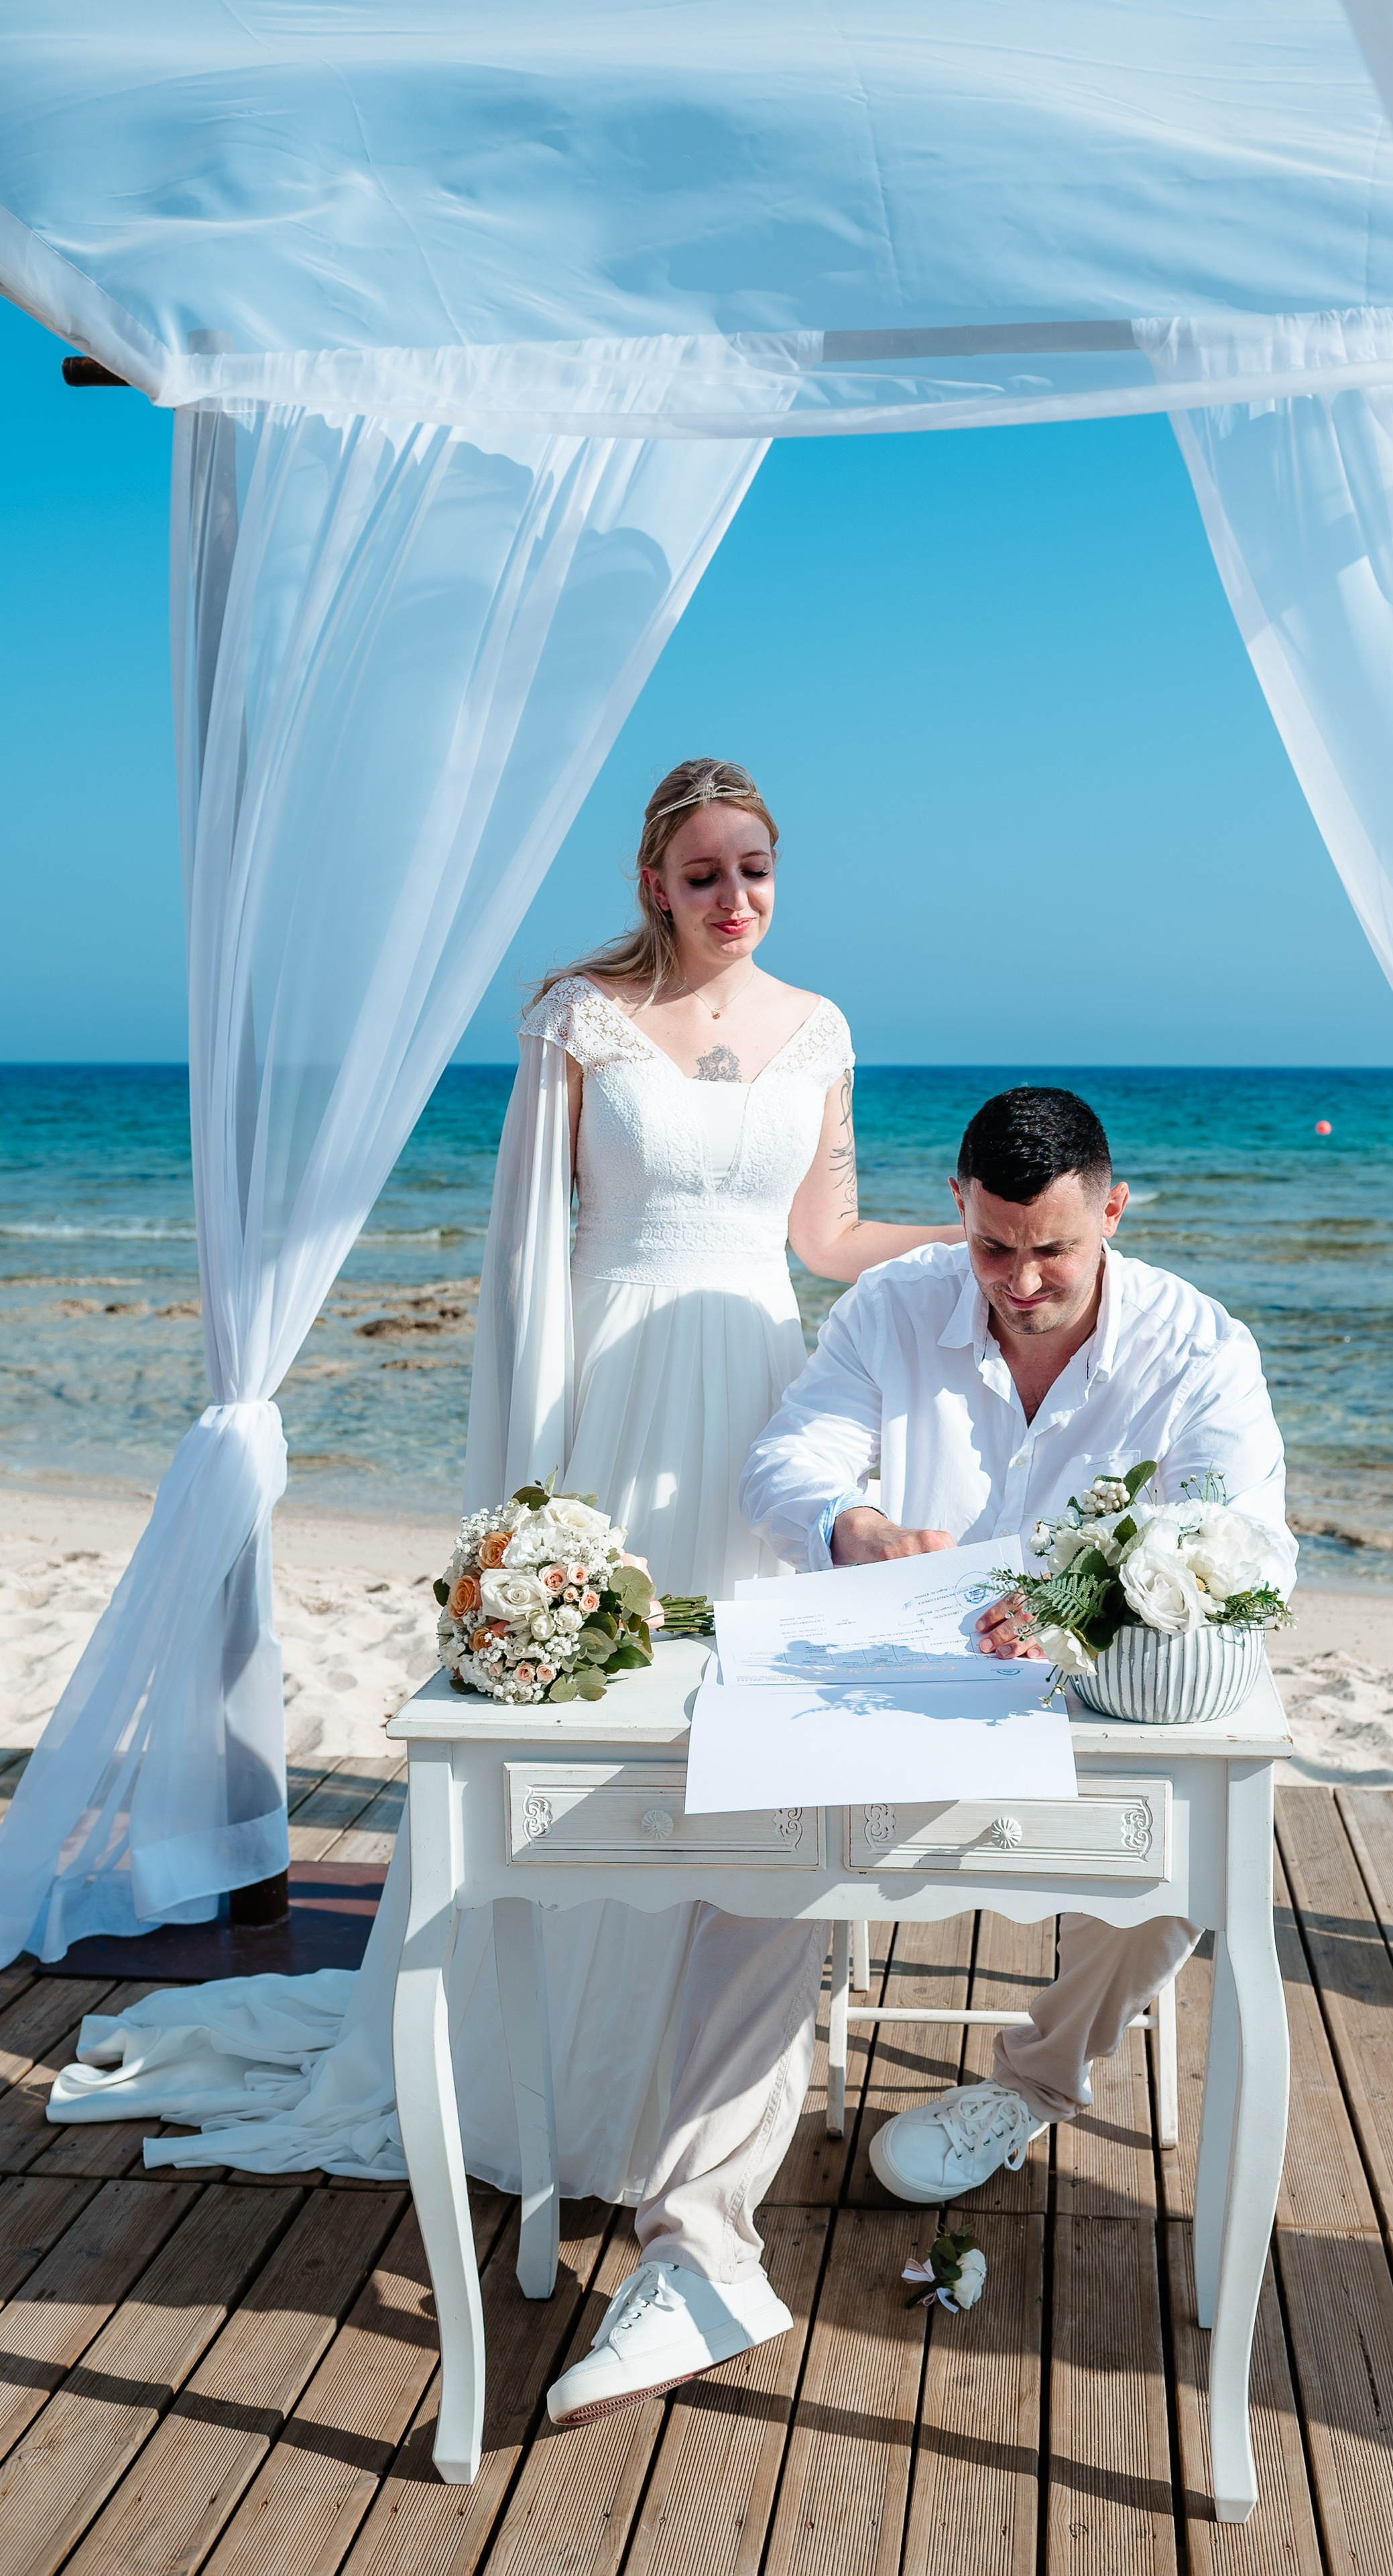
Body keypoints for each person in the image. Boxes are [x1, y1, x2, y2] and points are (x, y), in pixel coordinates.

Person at [46, 758, 960, 2202]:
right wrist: (528, 1479)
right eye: (706, 872)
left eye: (757, 868)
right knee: (602, 1715)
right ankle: (548, 2063)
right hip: (611, 1395)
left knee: (737, 1727)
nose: (737, 897)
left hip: (759, 1399)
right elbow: (527, 1259)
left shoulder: (820, 1029)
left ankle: (706, 2080)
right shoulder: (577, 1021)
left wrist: (975, 1237)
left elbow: (827, 1236)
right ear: (652, 881)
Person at [545, 1083, 1295, 2423]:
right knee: (750, 1843)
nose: (1018, 1280)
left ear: (1111, 1211)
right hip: (894, 1676)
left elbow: (1242, 1544)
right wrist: (854, 1528)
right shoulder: (892, 1304)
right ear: (957, 1209)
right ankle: (694, 2250)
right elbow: (786, 1461)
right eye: (993, 1245)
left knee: (1191, 1857)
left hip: (1094, 1688)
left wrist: (1082, 1604)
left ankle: (1026, 2088)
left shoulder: (1197, 1342)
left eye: (1052, 1248)